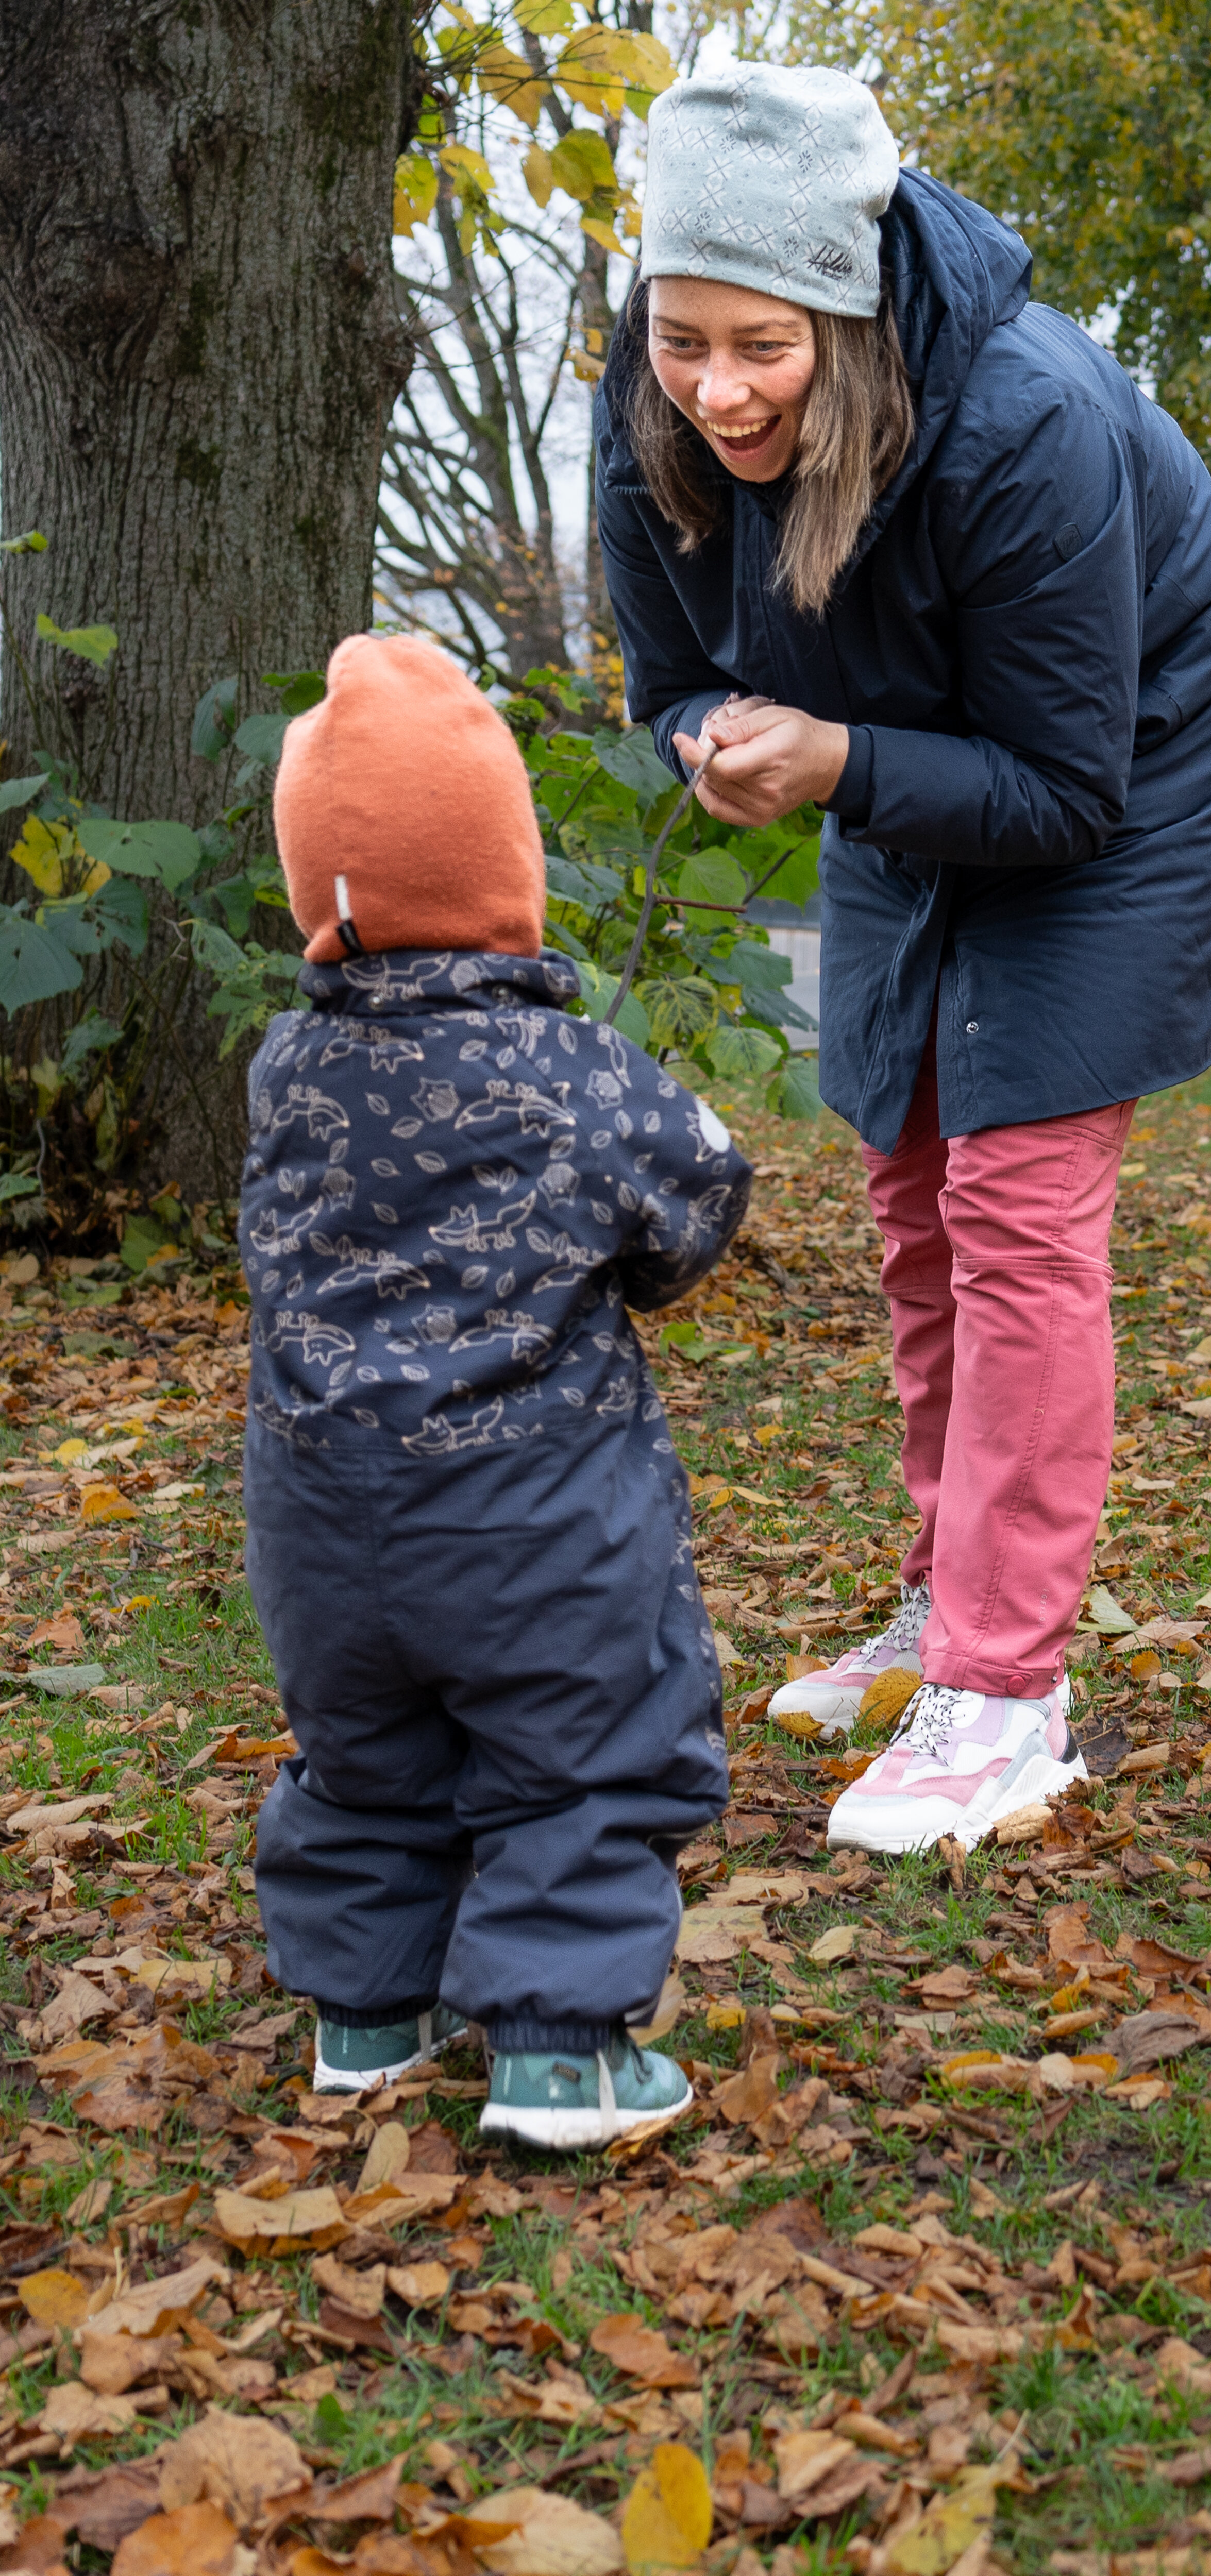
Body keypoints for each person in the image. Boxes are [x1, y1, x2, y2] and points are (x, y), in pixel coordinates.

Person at [596, 64, 1211, 1855]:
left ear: (846, 305)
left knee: (1018, 1203)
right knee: (908, 1186)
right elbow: (667, 670)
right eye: (686, 340)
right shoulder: (652, 396)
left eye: (765, 347)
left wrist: (833, 765)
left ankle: (1008, 1685)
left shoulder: (1022, 418)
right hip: (899, 745)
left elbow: (1065, 785)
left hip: (1133, 758)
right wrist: (717, 741)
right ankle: (941, 1597)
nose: (718, 392)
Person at [242, 633, 750, 2148]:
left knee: (365, 1762)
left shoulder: (285, 1073)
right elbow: (700, 1199)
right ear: (506, 871)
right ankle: (556, 2055)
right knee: (582, 1753)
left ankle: (367, 2020)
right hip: (539, 1518)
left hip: (322, 1521)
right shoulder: (576, 1070)